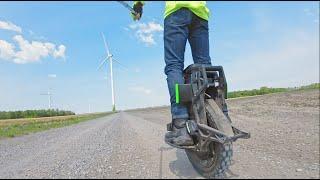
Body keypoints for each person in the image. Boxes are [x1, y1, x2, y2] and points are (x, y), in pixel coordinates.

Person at [132, 1, 212, 146]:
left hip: (177, 11)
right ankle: (217, 111)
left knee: (174, 66)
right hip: (200, 14)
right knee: (204, 65)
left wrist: (138, 4)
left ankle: (180, 123)